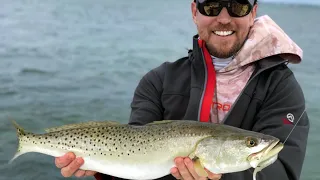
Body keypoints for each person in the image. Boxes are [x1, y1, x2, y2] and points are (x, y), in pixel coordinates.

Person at [54, 0, 310, 179]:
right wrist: (101, 165)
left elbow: (283, 172)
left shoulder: (280, 87)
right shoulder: (157, 81)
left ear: (253, 13)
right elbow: (138, 163)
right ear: (194, 11)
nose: (223, 18)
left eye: (237, 6)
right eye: (210, 6)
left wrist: (216, 178)